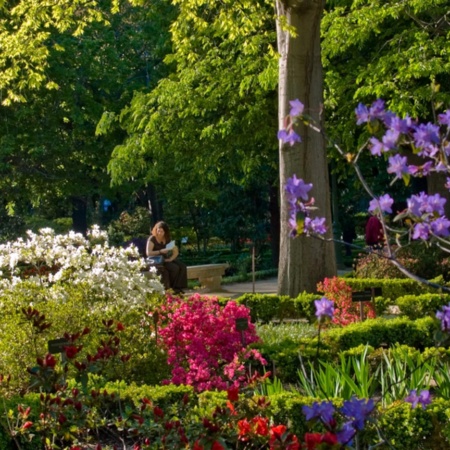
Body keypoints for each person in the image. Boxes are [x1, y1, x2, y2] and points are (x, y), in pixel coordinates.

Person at [146, 221, 187, 293]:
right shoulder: (152, 238)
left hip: (165, 259)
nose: (160, 233)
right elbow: (148, 253)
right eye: (158, 231)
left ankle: (178, 287)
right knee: (175, 268)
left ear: (165, 232)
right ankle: (173, 288)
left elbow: (175, 251)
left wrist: (171, 259)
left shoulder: (167, 238)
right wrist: (160, 251)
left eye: (162, 231)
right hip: (156, 260)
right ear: (156, 230)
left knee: (182, 266)